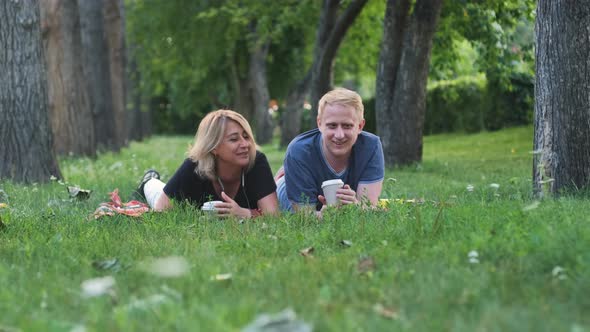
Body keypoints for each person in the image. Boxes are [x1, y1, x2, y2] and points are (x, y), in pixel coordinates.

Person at [138, 109, 279, 219]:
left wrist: (244, 213)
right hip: (166, 195)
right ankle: (148, 180)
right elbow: (160, 210)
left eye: (246, 136)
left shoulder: (256, 161)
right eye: (234, 139)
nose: (245, 144)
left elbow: (273, 215)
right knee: (155, 193)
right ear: (214, 147)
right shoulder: (194, 165)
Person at [276, 88, 384, 216]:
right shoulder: (299, 150)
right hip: (287, 190)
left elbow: (368, 208)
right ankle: (286, 173)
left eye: (347, 126)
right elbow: (304, 216)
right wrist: (322, 216)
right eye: (332, 126)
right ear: (319, 123)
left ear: (360, 126)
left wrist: (355, 205)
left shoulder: (371, 146)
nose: (339, 135)